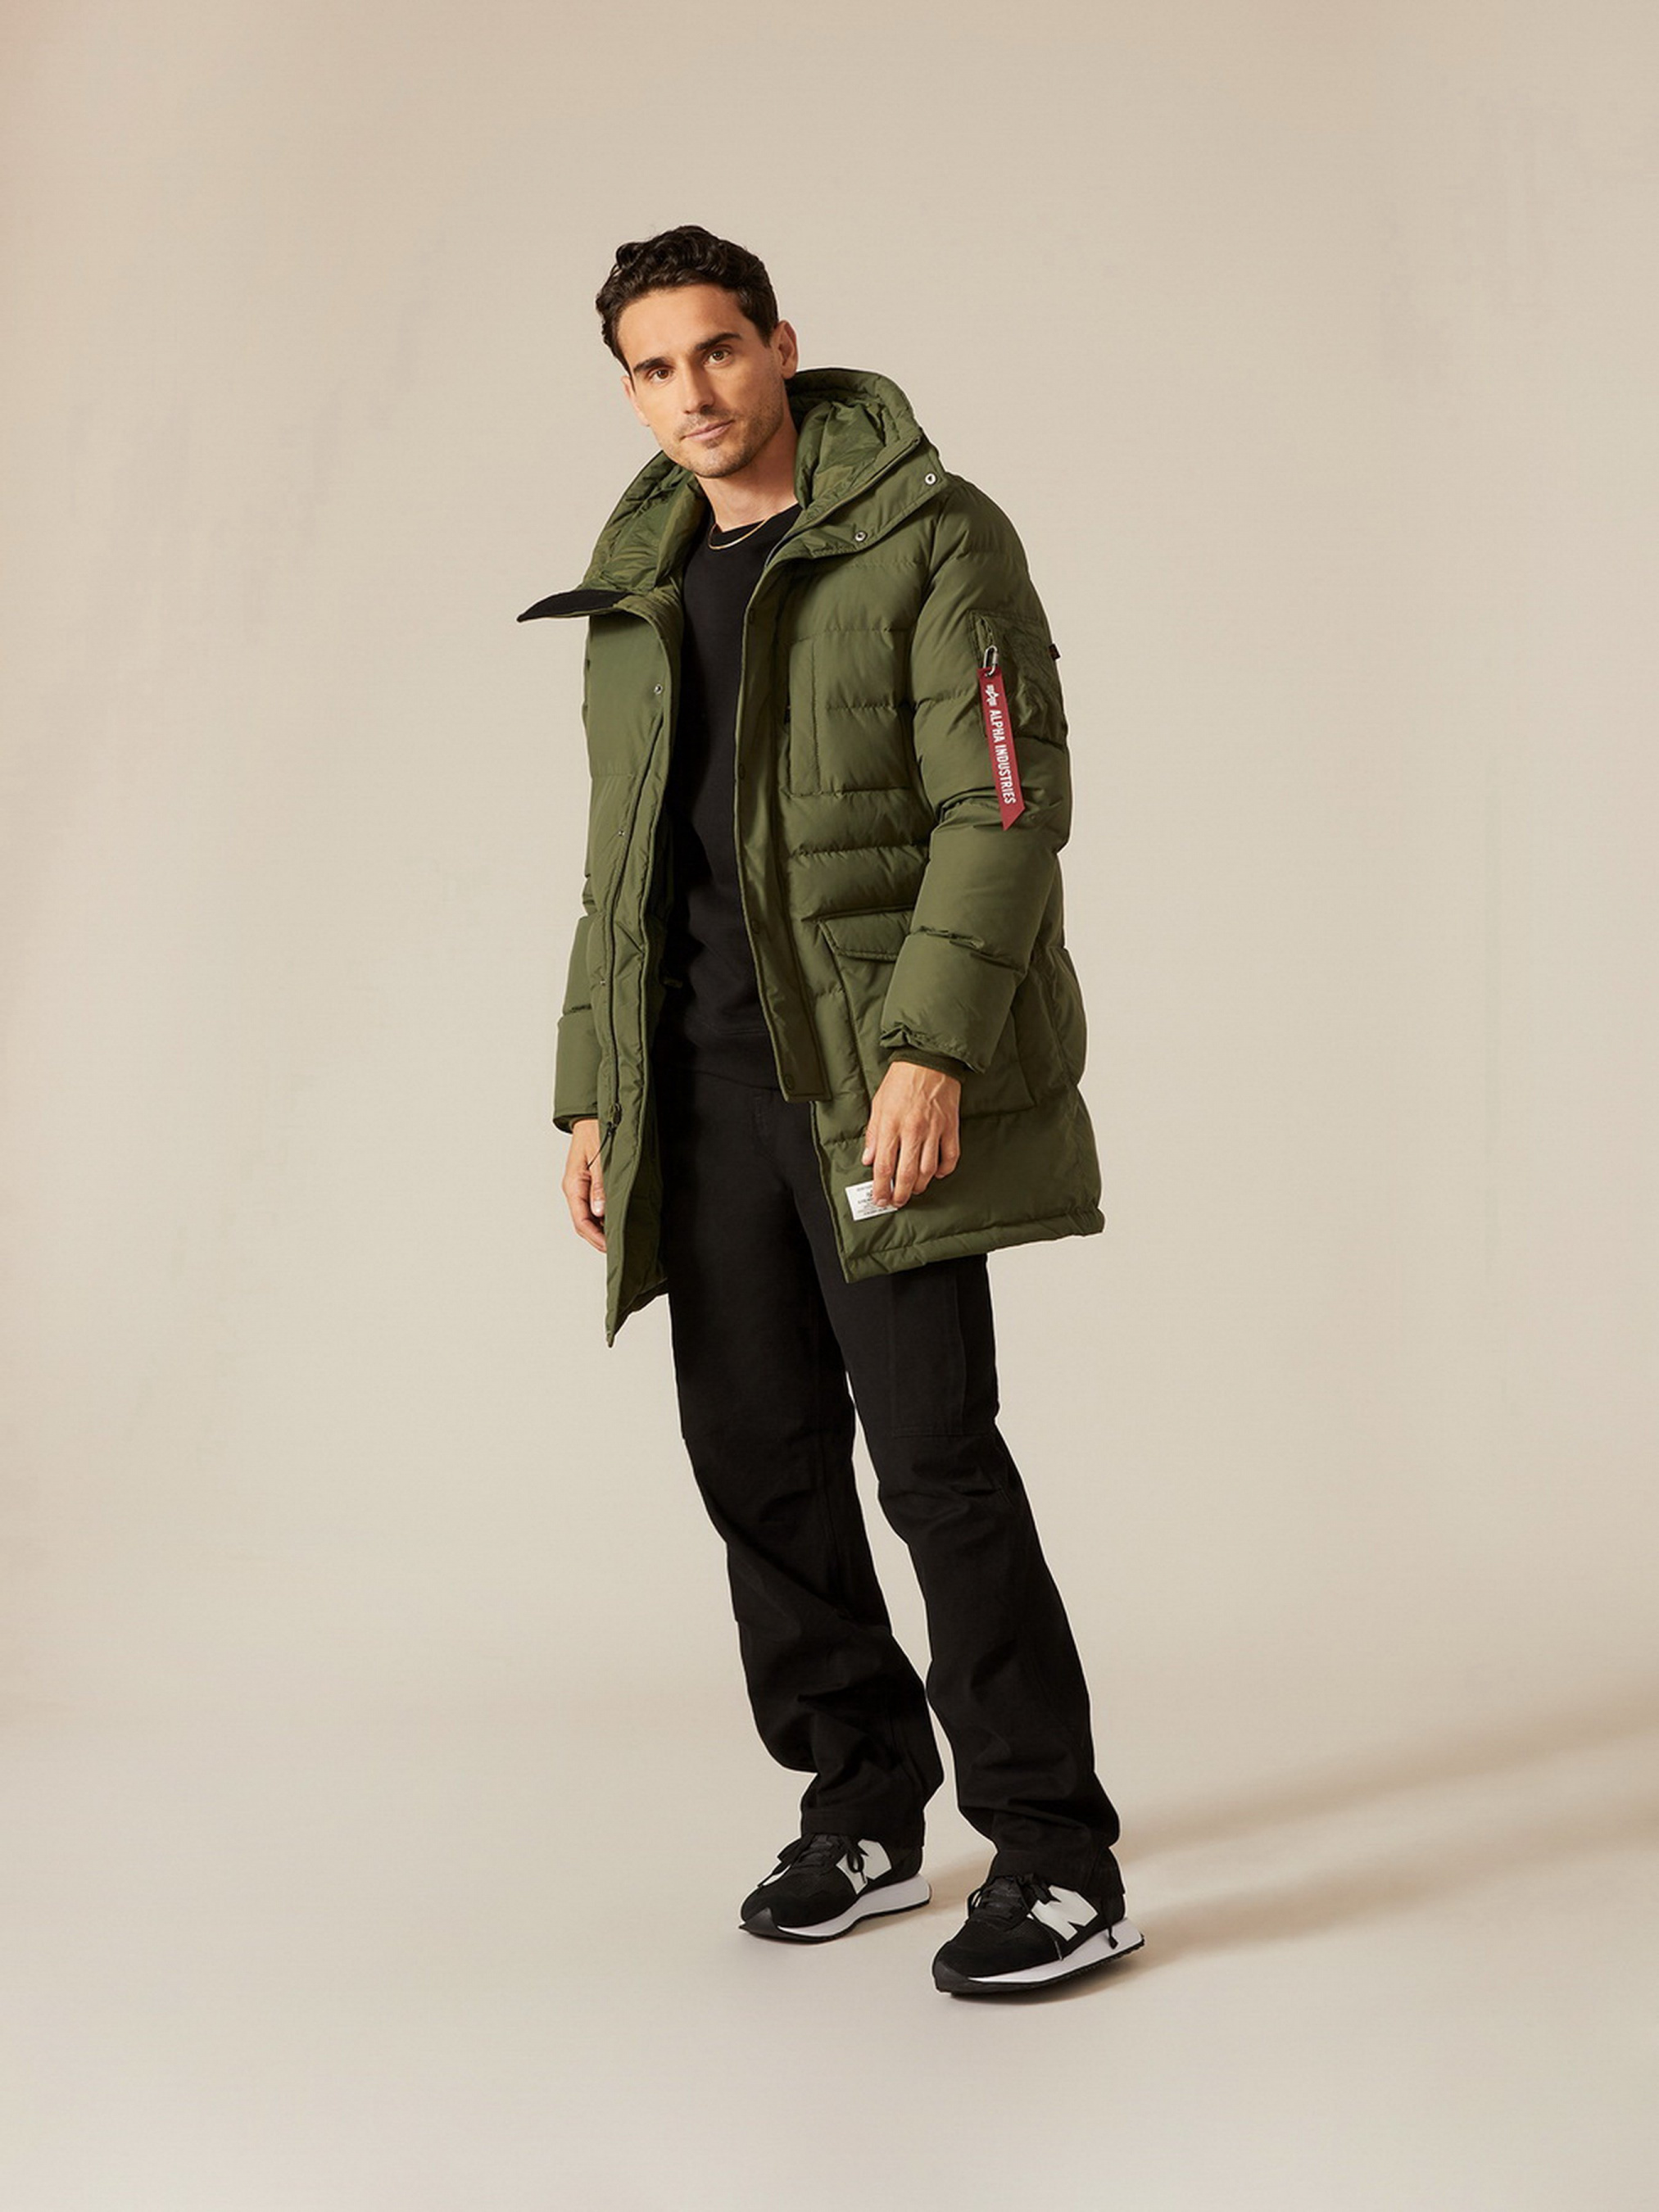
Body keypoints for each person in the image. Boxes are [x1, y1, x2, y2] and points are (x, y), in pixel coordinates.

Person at [518, 225, 1144, 1997]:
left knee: (934, 1461)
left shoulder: (932, 535)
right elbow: (619, 870)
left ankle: (1056, 1855)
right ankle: (861, 1805)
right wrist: (593, 1092)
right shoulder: (639, 582)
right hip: (695, 1087)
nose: (692, 393)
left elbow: (1002, 805)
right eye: (653, 368)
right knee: (758, 1464)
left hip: (866, 1083)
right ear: (628, 389)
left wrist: (930, 1052)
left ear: (780, 345)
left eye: (717, 350)